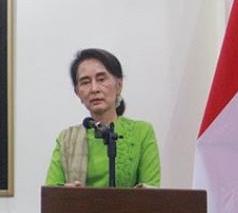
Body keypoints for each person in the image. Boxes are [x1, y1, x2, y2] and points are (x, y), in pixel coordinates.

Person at [45, 48, 160, 187]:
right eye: (85, 82)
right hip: (79, 209)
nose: (94, 89)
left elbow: (151, 191)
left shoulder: (142, 132)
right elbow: (51, 193)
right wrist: (66, 194)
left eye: (101, 79)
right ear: (77, 93)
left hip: (130, 209)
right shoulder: (67, 139)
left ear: (119, 85)